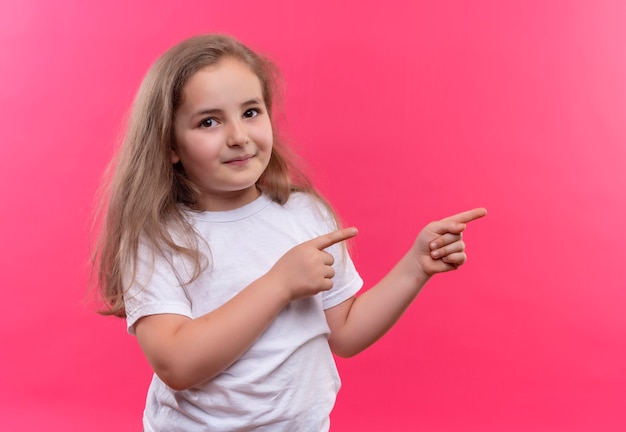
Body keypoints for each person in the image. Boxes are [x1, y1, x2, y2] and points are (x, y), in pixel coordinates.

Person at [94, 34, 486, 431]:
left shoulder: (304, 214)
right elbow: (175, 364)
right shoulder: (160, 237)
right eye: (209, 121)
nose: (238, 137)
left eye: (250, 112)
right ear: (170, 144)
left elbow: (346, 333)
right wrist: (278, 285)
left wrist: (414, 268)